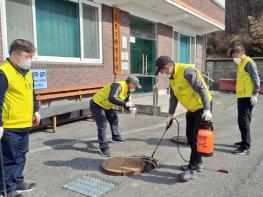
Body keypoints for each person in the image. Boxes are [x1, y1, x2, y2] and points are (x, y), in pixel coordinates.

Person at [155, 56, 213, 182]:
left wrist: (207, 109)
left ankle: (192, 169)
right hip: (191, 108)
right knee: (190, 136)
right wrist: (170, 115)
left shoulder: (187, 71)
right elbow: (174, 97)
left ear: (168, 67)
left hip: (202, 107)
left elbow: (202, 88)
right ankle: (197, 163)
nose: (162, 74)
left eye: (162, 71)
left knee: (196, 137)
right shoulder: (172, 78)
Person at [0, 39, 41, 197]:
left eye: (31, 57)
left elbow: (31, 93)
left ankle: (18, 181)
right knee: (9, 158)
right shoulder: (3, 72)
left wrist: (35, 110)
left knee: (21, 154)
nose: (29, 60)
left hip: (24, 122)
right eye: (26, 56)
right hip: (9, 125)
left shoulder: (27, 72)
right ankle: (7, 189)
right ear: (14, 54)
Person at [90, 75, 141, 157]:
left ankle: (115, 137)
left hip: (106, 106)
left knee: (114, 119)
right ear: (131, 83)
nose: (135, 88)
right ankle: (103, 147)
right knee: (102, 125)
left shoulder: (128, 91)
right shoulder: (118, 86)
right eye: (135, 85)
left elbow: (125, 103)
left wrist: (131, 109)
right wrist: (125, 103)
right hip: (97, 104)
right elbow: (112, 98)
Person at [230, 46, 260, 155]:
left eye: (235, 56)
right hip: (242, 96)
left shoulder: (249, 63)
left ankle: (246, 147)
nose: (234, 58)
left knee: (244, 121)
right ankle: (244, 141)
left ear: (241, 53)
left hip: (247, 97)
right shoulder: (241, 63)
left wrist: (255, 94)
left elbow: (256, 78)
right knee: (243, 120)